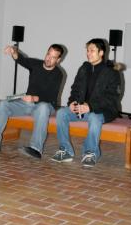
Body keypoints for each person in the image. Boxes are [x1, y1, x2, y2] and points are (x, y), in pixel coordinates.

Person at [0, 43, 64, 158]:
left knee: (43, 107)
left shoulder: (58, 74)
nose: (48, 59)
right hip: (28, 103)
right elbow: (21, 59)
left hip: (46, 105)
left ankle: (36, 149)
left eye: (53, 57)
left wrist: (34, 98)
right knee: (4, 104)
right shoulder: (36, 64)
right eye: (48, 54)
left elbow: (51, 97)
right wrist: (13, 51)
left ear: (58, 60)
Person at [51, 38, 121, 167]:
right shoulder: (84, 68)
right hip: (81, 108)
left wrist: (91, 106)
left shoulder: (112, 73)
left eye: (92, 50)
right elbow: (75, 88)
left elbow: (112, 98)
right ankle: (66, 150)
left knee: (94, 117)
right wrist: (72, 102)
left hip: (103, 110)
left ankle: (90, 153)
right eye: (87, 50)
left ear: (101, 53)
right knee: (62, 113)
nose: (88, 53)